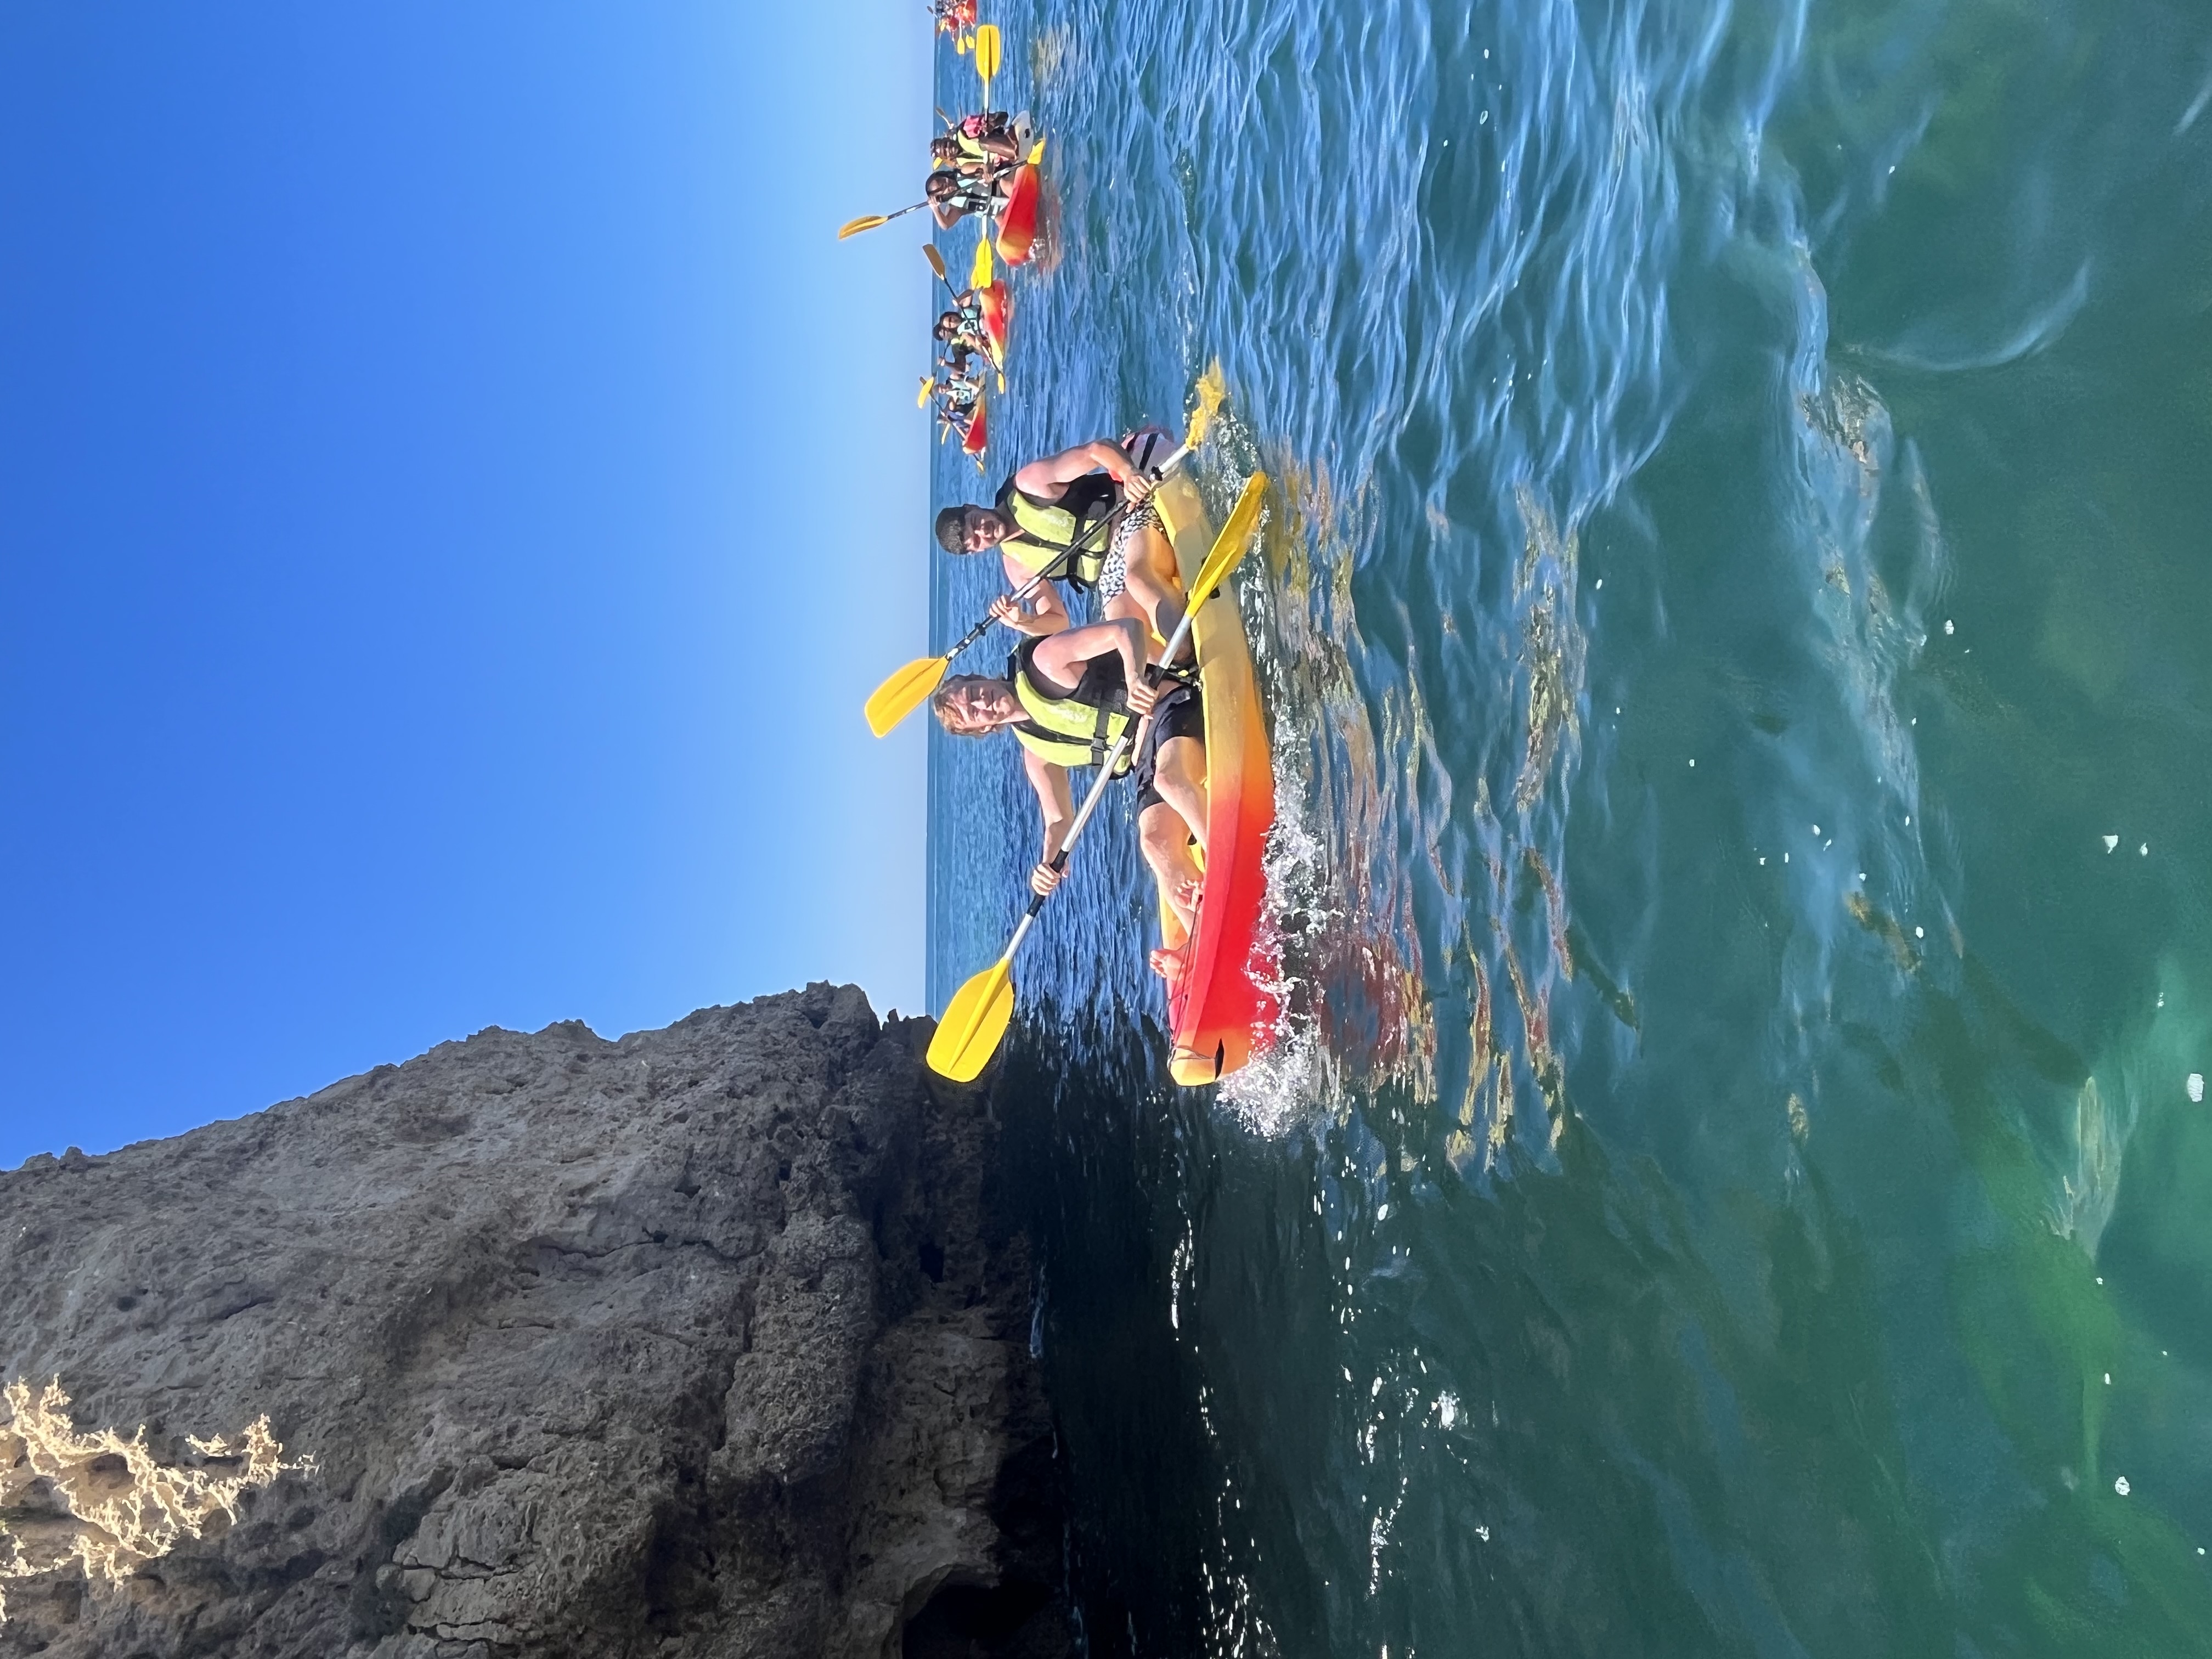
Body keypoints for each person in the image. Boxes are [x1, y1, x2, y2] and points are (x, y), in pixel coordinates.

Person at [932, 616, 1209, 953]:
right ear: (983, 730)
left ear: (981, 678)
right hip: (1147, 757)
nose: (982, 702)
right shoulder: (1036, 754)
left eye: (974, 693)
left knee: (1169, 780)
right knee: (1154, 843)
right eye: (974, 713)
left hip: (1171, 705)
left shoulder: (1045, 662)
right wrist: (1048, 863)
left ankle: (1221, 862)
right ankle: (1200, 943)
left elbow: (1127, 629)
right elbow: (1059, 820)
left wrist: (1135, 678)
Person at [931, 430, 1184, 649]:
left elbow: (1095, 450)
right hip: (1109, 568)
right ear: (975, 552)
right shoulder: (1017, 567)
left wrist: (1128, 473)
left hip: (1126, 510)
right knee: (1122, 625)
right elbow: (1059, 621)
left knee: (1137, 577)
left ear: (972, 506)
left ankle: (1184, 645)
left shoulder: (1030, 485)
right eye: (976, 542)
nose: (983, 532)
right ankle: (1181, 670)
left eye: (975, 522)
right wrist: (1024, 622)